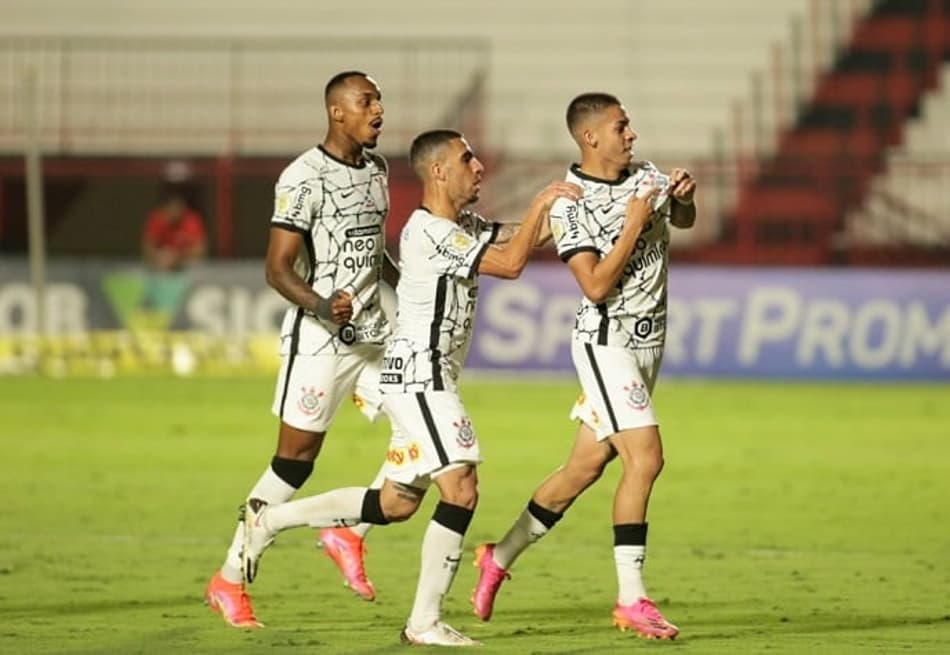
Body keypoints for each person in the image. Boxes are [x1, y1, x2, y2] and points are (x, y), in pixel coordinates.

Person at [237, 129, 582, 646]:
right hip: (422, 377)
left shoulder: (463, 225)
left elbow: (521, 238)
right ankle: (424, 622)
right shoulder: (427, 232)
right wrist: (541, 202)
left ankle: (270, 519)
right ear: (439, 171)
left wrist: (581, 207)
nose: (479, 167)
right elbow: (510, 263)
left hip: (422, 376)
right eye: (467, 159)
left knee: (396, 504)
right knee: (461, 488)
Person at [469, 92, 697, 640]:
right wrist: (633, 223)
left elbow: (683, 221)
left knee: (582, 470)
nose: (632, 134)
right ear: (591, 137)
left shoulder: (647, 177)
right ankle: (632, 598)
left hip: (647, 347)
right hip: (605, 343)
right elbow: (594, 285)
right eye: (621, 126)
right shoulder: (571, 204)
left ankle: (498, 556)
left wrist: (685, 200)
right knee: (646, 458)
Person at [204, 70, 400, 628]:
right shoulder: (303, 177)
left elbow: (374, 253)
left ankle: (350, 533)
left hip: (374, 336)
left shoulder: (378, 170)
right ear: (337, 111)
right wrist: (320, 305)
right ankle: (229, 578)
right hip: (320, 341)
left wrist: (407, 285)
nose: (378, 110)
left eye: (379, 101)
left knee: (427, 433)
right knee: (294, 464)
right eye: (366, 101)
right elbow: (277, 268)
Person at [142, 185, 207, 273]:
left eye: (179, 207)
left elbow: (200, 249)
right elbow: (147, 247)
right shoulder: (157, 219)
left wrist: (178, 258)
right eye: (172, 207)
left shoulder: (192, 220)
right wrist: (159, 257)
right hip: (160, 267)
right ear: (165, 208)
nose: (175, 211)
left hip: (186, 267)